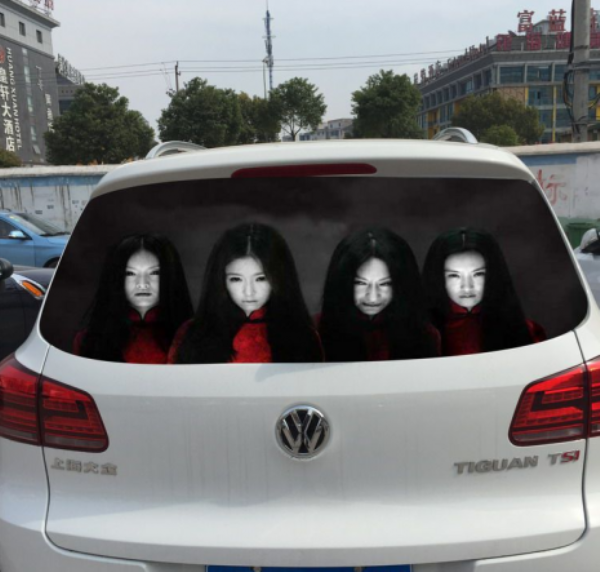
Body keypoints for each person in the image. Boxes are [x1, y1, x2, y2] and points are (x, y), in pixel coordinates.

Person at [169, 223, 322, 364]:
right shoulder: (191, 334)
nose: (249, 291)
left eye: (261, 278)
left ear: (279, 278)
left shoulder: (303, 336)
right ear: (220, 280)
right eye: (236, 279)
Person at [318, 227, 440, 362]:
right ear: (342, 281)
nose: (373, 297)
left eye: (385, 284)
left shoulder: (426, 335)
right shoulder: (315, 333)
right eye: (361, 283)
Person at [422, 227, 545, 356]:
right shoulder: (422, 334)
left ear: (493, 274)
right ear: (438, 277)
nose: (467, 287)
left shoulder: (529, 331)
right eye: (454, 275)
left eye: (478, 274)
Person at [75, 233, 193, 364]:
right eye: (130, 273)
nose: (142, 284)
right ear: (116, 278)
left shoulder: (191, 337)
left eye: (154, 272)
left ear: (171, 276)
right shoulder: (88, 341)